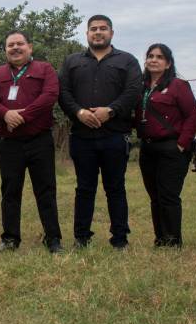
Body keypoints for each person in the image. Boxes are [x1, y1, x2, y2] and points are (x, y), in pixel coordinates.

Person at [59, 14, 141, 249]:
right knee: (84, 189)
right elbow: (63, 92)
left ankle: (119, 239)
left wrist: (111, 111)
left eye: (103, 29)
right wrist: (79, 113)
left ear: (111, 33)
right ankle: (81, 238)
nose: (98, 32)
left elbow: (134, 91)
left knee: (115, 188)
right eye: (93, 29)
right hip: (82, 137)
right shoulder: (72, 61)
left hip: (115, 136)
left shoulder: (127, 61)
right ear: (87, 34)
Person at [0, 30, 63, 254]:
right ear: (6, 50)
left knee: (46, 190)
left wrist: (21, 116)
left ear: (30, 47)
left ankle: (53, 238)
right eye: (10, 45)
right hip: (10, 143)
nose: (15, 48)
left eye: (20, 44)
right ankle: (10, 239)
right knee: (10, 191)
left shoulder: (44, 69)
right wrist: (5, 114)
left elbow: (49, 96)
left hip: (40, 140)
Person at [134, 44, 196, 248]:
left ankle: (173, 240)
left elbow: (192, 115)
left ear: (168, 63)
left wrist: (182, 144)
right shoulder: (140, 86)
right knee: (154, 196)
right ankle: (160, 238)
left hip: (172, 148)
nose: (154, 60)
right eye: (150, 56)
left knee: (168, 195)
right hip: (148, 148)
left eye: (159, 57)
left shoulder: (178, 85)